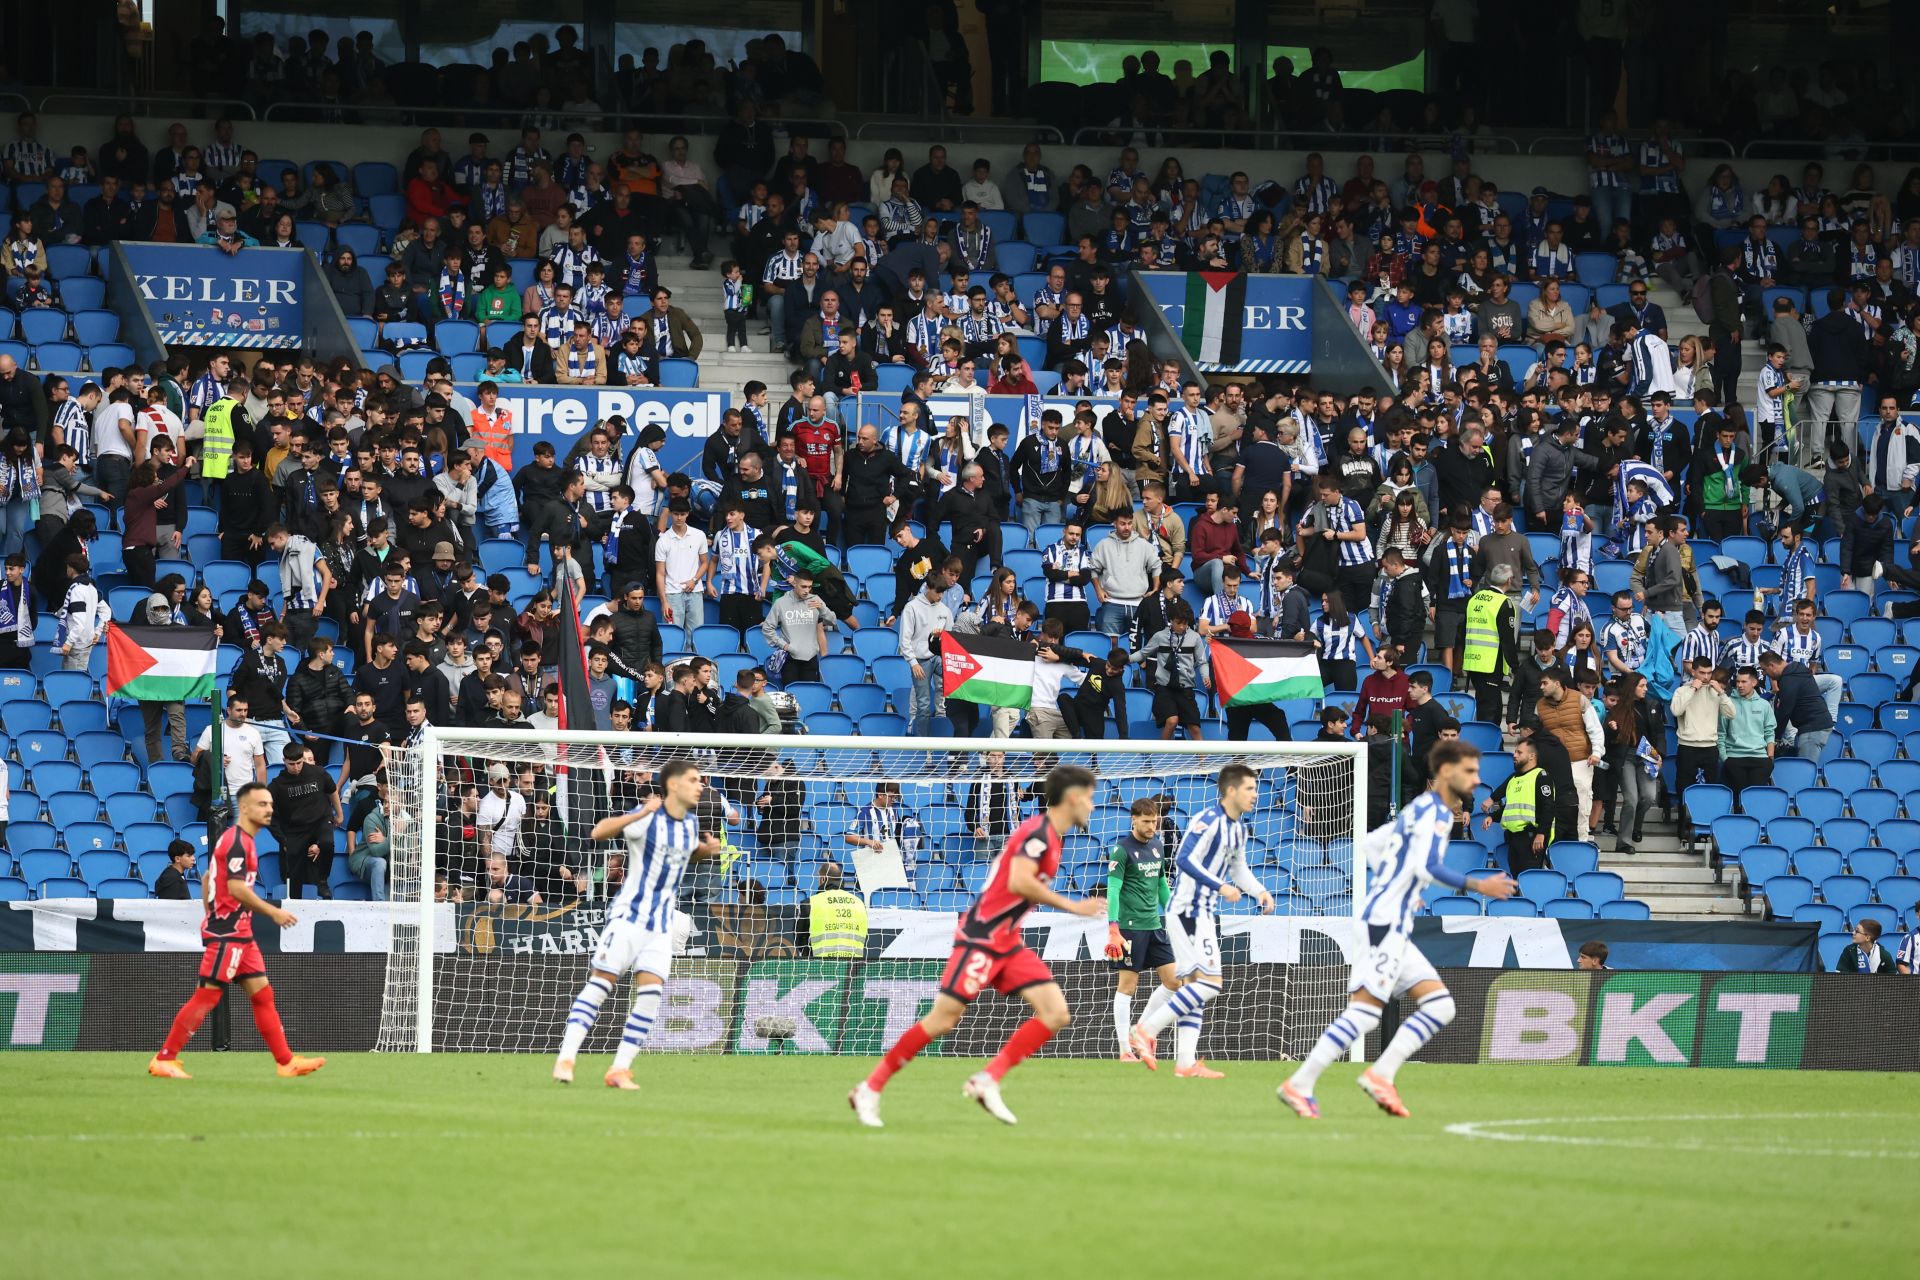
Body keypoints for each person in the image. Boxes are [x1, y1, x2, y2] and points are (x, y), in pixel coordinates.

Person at [850, 765, 1104, 1128]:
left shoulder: (1050, 835)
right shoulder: (1038, 834)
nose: (1093, 806)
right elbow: (1019, 881)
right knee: (943, 1019)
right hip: (981, 937)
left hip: (1007, 941)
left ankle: (988, 1079)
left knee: (1056, 1013)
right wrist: (1073, 906)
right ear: (1074, 797)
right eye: (1090, 798)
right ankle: (870, 1088)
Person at [1282, 740, 1517, 1119]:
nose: (1477, 780)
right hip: (1384, 923)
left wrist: (1404, 886)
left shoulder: (1418, 809)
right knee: (1365, 1013)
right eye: (1470, 771)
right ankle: (1300, 1083)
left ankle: (1380, 1075)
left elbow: (1373, 844)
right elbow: (1427, 866)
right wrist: (1476, 884)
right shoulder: (1435, 814)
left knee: (1440, 1006)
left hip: (1391, 919)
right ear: (1446, 772)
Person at [553, 760, 724, 1089]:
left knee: (650, 996)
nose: (700, 785)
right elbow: (599, 832)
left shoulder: (690, 823)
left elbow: (685, 853)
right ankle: (567, 1057)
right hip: (629, 917)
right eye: (693, 780)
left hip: (660, 924)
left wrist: (705, 851)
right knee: (601, 985)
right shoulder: (648, 819)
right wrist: (640, 813)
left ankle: (619, 1069)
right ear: (673, 785)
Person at [146, 782, 326, 1079]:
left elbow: (208, 878)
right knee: (207, 996)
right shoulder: (239, 842)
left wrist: (211, 913)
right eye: (262, 804)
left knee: (263, 995)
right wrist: (272, 912)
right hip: (228, 934)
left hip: (239, 933)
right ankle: (165, 1058)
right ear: (243, 808)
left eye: (270, 804)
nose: (269, 809)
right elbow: (236, 888)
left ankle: (286, 1062)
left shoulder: (239, 841)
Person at [1123, 764, 1274, 1078]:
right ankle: (1146, 1030)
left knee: (1194, 986)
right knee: (1210, 984)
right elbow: (1184, 859)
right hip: (1188, 910)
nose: (1255, 795)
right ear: (1230, 790)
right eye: (1249, 788)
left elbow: (1238, 869)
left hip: (1202, 912)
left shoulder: (1239, 829)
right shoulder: (1208, 820)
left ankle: (1185, 1063)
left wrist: (1259, 890)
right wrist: (1220, 886)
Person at [1104, 798, 1182, 1063]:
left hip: (1154, 925)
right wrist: (1113, 928)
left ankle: (1142, 1030)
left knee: (1174, 982)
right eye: (1146, 821)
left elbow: (1161, 884)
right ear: (1134, 820)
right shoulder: (1121, 850)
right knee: (1127, 987)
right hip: (1129, 928)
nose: (1151, 826)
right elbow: (1113, 891)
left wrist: (1172, 914)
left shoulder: (1157, 846)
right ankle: (1124, 1049)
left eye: (1154, 821)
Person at [1478, 735, 1557, 876]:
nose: (1514, 755)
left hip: (1532, 837)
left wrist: (1541, 834)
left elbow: (1548, 808)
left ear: (1532, 756)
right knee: (1516, 879)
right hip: (1514, 838)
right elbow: (1511, 807)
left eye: (1519, 752)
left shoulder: (1541, 776)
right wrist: (1493, 817)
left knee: (1529, 880)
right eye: (1515, 752)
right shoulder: (1514, 779)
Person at [1461, 562, 1519, 726]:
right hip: (1490, 663)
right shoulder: (1504, 602)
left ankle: (1494, 740)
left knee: (1490, 705)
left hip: (1473, 661)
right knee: (1490, 710)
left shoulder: (1475, 598)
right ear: (1509, 580)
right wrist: (1515, 666)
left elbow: (1463, 630)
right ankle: (1486, 740)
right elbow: (1507, 639)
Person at [1719, 666, 1777, 804]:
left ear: (1754, 682)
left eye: (1744, 682)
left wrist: (1770, 757)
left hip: (1760, 758)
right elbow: (1721, 733)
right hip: (1734, 757)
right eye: (1738, 681)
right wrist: (1725, 759)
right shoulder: (1727, 703)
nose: (1740, 685)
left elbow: (1770, 732)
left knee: (1755, 800)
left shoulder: (1764, 705)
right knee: (1738, 799)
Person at [807, 860, 867, 960]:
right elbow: (865, 936)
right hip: (853, 965)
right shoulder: (859, 903)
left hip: (820, 965)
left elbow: (800, 938)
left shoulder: (811, 902)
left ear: (823, 879)